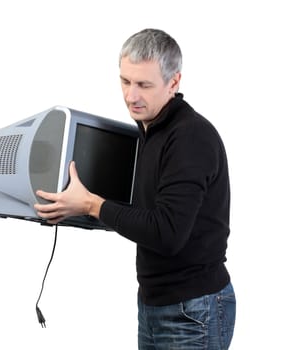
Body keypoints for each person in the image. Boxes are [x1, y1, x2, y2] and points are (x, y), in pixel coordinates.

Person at [35, 28, 236, 350]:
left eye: (144, 84)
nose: (131, 96)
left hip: (194, 310)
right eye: (125, 81)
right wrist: (74, 210)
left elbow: (167, 233)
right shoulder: (148, 132)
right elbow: (143, 216)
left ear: (174, 82)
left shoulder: (189, 138)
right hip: (154, 303)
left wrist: (93, 205)